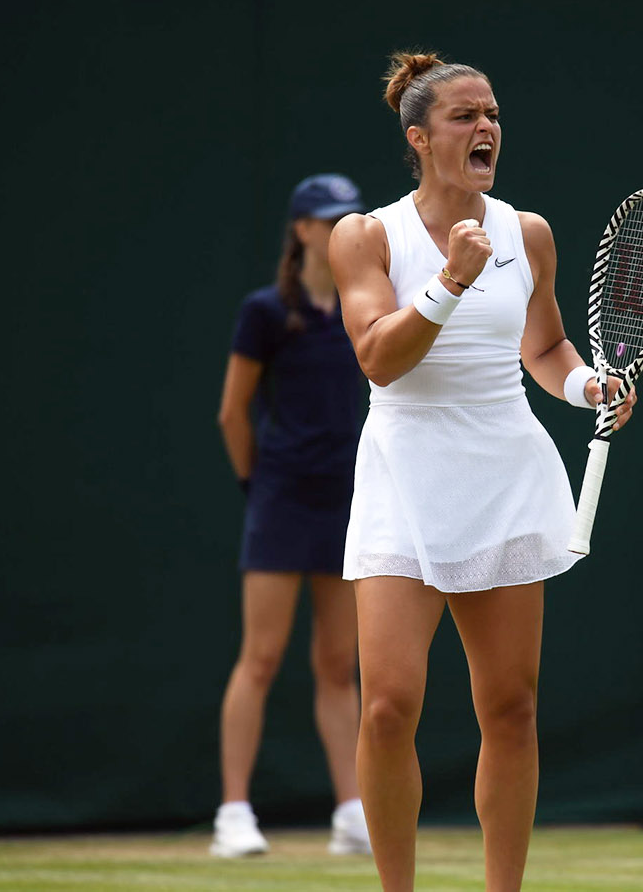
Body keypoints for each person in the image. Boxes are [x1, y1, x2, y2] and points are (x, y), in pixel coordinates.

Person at [329, 52, 637, 892]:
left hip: (505, 470)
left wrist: (588, 385)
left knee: (511, 709)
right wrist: (449, 280)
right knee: (388, 707)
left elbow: (543, 347)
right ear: (420, 139)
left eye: (493, 112)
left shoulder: (527, 232)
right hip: (403, 471)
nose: (486, 127)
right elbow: (378, 360)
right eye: (465, 116)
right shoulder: (363, 236)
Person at [212, 174, 373, 858]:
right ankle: (234, 813)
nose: (341, 227)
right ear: (302, 230)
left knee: (340, 665)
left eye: (350, 218)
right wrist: (258, 483)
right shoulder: (264, 312)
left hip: (351, 499)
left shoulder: (371, 304)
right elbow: (231, 412)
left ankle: (351, 811)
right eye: (328, 218)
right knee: (262, 657)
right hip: (281, 497)